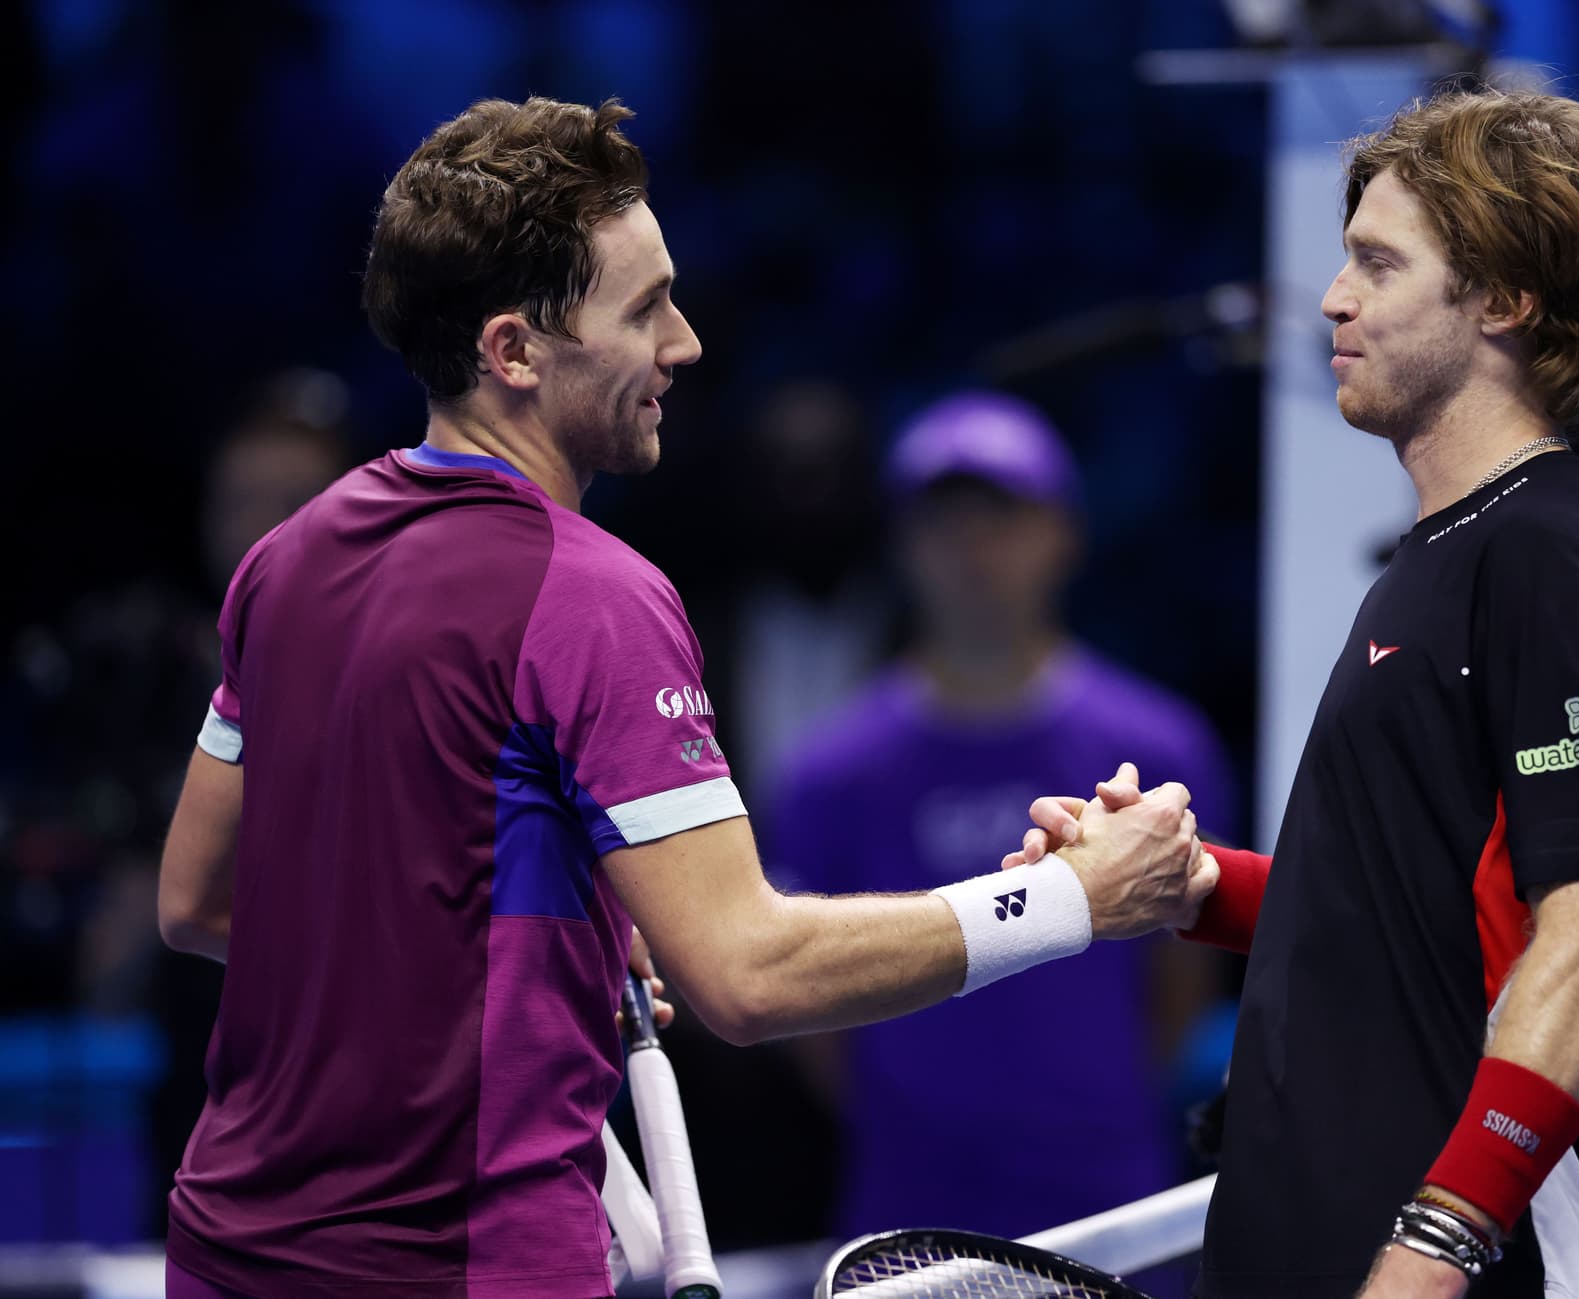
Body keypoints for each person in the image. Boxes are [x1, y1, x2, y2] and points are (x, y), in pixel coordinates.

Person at [154, 96, 1213, 1299]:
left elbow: (202, 900)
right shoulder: (590, 594)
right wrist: (1071, 898)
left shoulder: (285, 561)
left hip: (228, 1254)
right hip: (464, 1268)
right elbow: (748, 977)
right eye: (645, 308)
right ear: (514, 352)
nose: (686, 343)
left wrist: (541, 953)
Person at [1016, 88, 1579, 1297]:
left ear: (1503, 298)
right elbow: (1408, 918)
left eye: (1378, 264)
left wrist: (1437, 1247)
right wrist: (1188, 884)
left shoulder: (1549, 553)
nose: (1332, 298)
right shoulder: (1454, 549)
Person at [763, 391, 1239, 1240]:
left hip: (1109, 1192)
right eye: (945, 523)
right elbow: (804, 1004)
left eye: (1002, 519)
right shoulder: (829, 772)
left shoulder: (1157, 746)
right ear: (904, 544)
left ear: (1064, 534)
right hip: (908, 1202)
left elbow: (1184, 976)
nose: (973, 550)